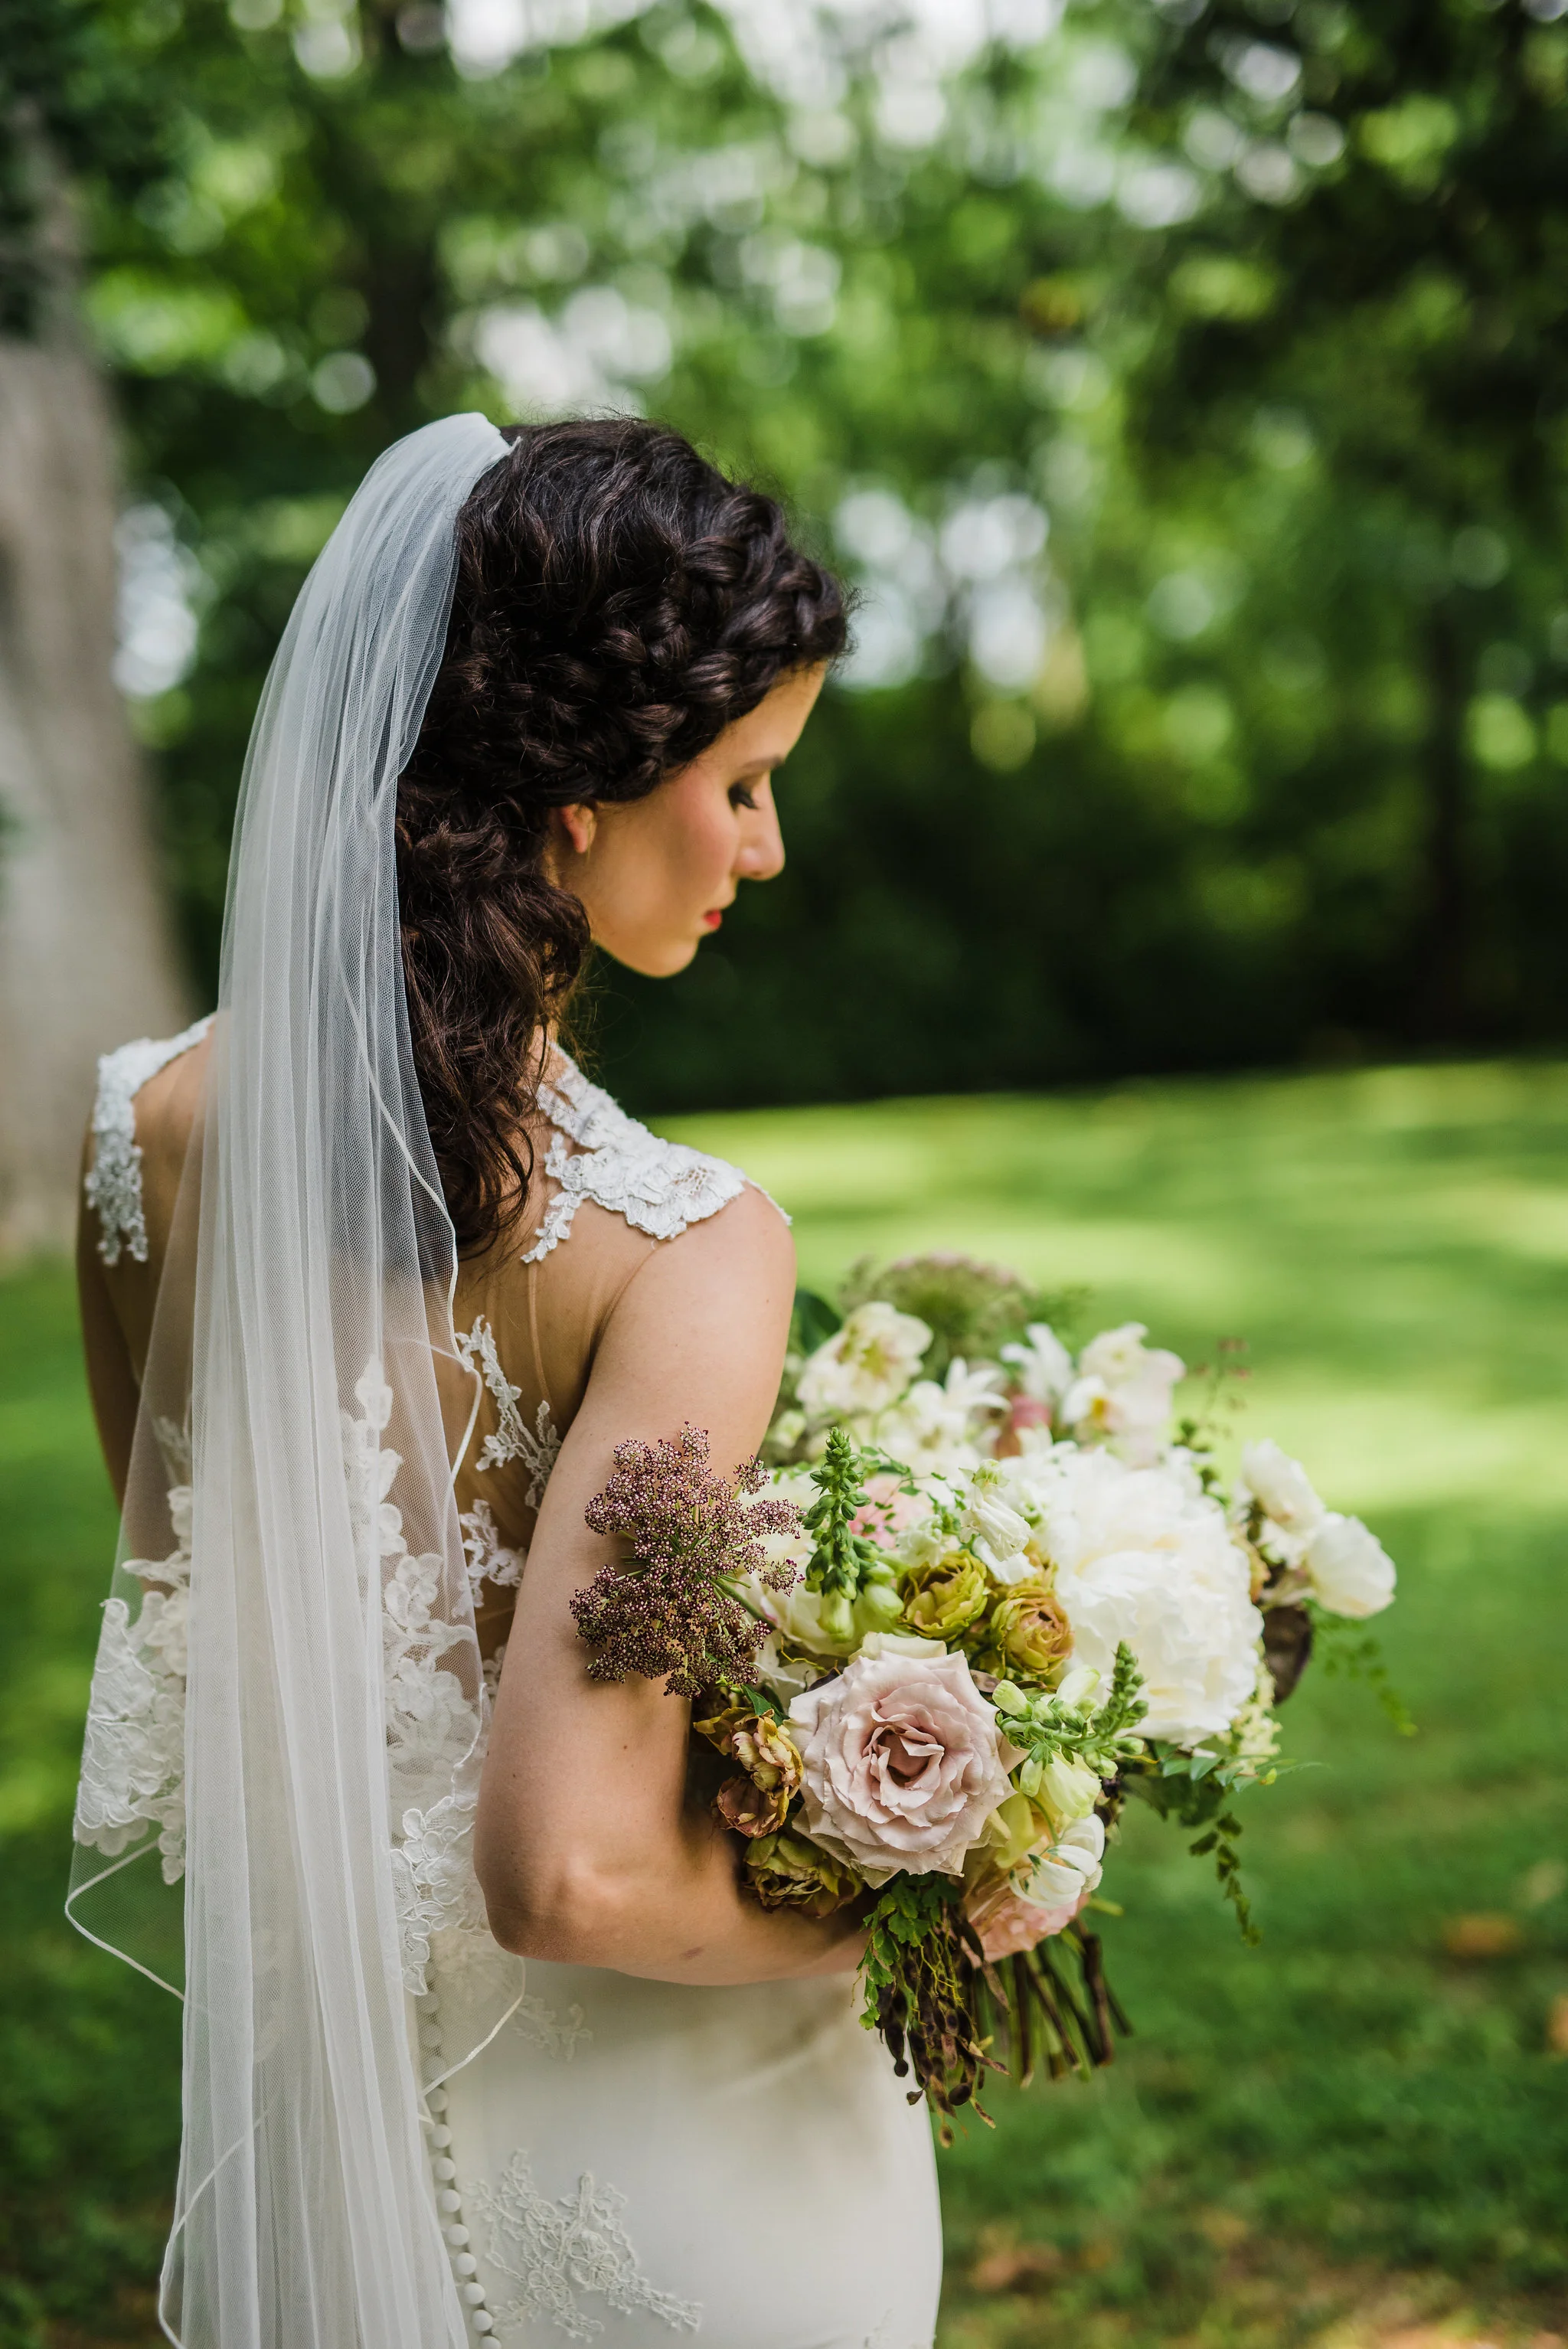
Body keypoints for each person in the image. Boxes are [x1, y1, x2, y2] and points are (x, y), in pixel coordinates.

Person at [70, 415, 942, 2349]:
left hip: (324, 2156)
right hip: (668, 2180)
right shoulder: (688, 1250)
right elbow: (562, 1868)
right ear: (580, 795)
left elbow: (195, 1637)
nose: (766, 846)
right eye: (739, 782)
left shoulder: (145, 1135)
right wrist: (926, 1893)